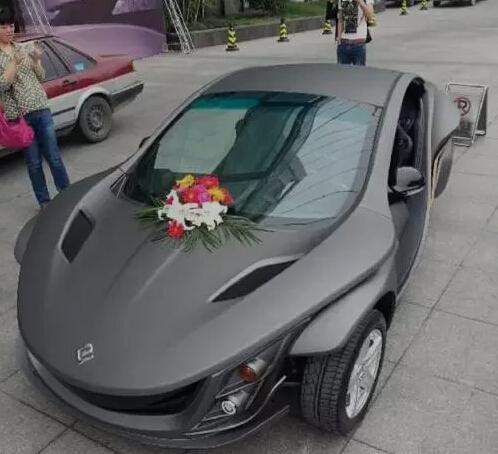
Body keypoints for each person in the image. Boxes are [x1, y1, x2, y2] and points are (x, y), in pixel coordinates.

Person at [0, 7, 70, 209]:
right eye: (3, 26)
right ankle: (44, 202)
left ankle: (67, 195)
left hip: (41, 108)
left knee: (54, 157)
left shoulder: (22, 47)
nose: (9, 30)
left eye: (11, 25)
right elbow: (2, 85)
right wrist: (13, 62)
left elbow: (40, 76)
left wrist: (37, 59)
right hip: (20, 118)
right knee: (34, 162)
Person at [336, 0, 374, 66]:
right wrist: (339, 38)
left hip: (359, 44)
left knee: (359, 72)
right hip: (343, 44)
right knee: (342, 72)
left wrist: (360, 2)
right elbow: (340, 20)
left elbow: (370, 15)